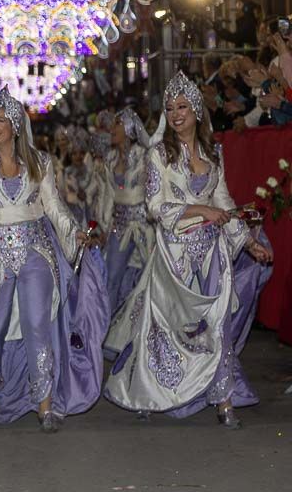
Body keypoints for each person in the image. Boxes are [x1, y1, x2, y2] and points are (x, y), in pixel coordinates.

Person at [104, 73, 274, 428]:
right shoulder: (159, 154)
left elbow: (223, 201)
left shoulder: (215, 151)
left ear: (197, 110)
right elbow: (154, 206)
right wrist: (199, 210)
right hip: (173, 253)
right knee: (167, 325)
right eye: (170, 108)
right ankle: (150, 391)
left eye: (183, 106)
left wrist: (248, 241)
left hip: (212, 252)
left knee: (218, 322)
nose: (176, 113)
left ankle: (223, 398)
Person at [0, 88, 107, 432]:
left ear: (16, 125)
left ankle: (44, 403)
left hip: (35, 251)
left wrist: (74, 233)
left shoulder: (41, 163)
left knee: (37, 325)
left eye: (0, 120)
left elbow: (54, 207)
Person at [100, 109, 154, 315]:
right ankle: (105, 329)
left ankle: (149, 328)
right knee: (111, 277)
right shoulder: (111, 158)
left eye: (117, 124)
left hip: (144, 225)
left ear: (130, 128)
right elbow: (109, 195)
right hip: (120, 225)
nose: (111, 129)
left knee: (150, 274)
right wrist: (105, 226)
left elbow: (154, 188)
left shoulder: (145, 155)